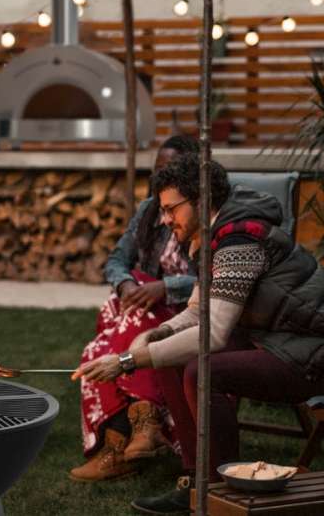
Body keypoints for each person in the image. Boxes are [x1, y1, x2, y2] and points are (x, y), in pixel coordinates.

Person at [75, 153, 324, 515]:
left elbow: (215, 332)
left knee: (202, 369)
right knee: (169, 352)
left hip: (308, 351)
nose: (165, 219)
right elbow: (197, 311)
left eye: (171, 209)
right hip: (273, 338)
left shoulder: (240, 239)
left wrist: (127, 360)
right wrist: (157, 333)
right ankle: (195, 480)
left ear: (201, 199)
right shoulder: (215, 235)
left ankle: (218, 491)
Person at [69, 135, 200, 483]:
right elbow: (116, 260)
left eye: (170, 171)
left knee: (103, 345)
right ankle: (134, 431)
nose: (161, 178)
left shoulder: (204, 216)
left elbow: (211, 281)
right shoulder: (148, 211)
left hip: (184, 314)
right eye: (157, 170)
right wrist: (126, 283)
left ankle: (124, 441)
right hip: (139, 309)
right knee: (100, 343)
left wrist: (165, 287)